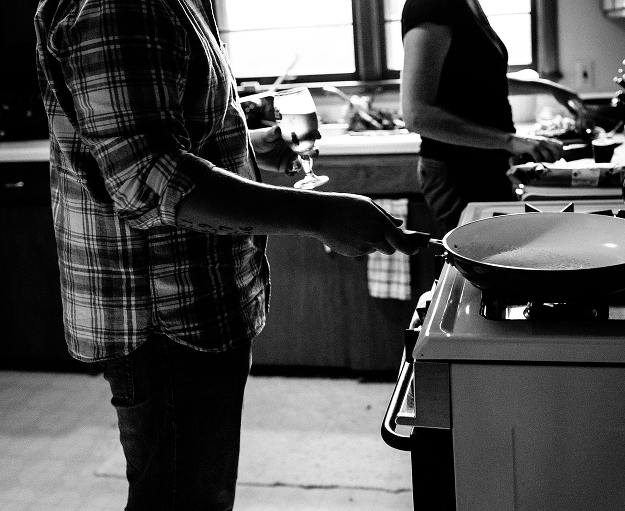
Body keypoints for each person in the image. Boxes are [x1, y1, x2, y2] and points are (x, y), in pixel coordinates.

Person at [34, 0, 418, 509]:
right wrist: (321, 216)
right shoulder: (121, 4)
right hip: (165, 316)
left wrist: (247, 144)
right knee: (181, 499)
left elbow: (167, 137)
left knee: (194, 493)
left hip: (192, 308)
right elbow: (145, 179)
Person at [400, 0, 568, 234]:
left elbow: (483, 80)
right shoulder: (430, 5)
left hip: (485, 166)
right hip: (459, 172)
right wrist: (510, 141)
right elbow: (417, 115)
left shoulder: (467, 4)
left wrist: (549, 87)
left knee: (495, 256)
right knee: (479, 260)